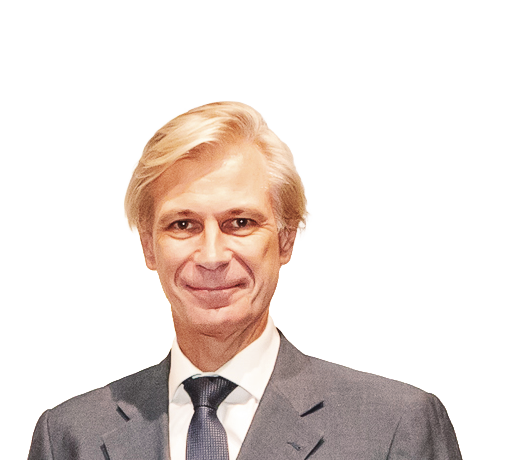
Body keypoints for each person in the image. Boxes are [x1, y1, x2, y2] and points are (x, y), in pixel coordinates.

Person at [28, 100, 463, 460]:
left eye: (240, 222)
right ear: (148, 247)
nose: (211, 256)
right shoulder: (69, 438)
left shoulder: (393, 428)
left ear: (286, 239)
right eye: (182, 225)